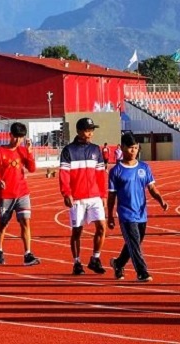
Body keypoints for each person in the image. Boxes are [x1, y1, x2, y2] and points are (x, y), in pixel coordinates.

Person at [107, 132, 169, 282]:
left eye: (136, 148)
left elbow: (152, 188)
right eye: (130, 148)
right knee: (134, 243)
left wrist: (161, 200)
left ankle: (118, 263)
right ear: (122, 147)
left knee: (134, 242)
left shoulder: (144, 167)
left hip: (141, 213)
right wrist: (110, 216)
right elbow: (112, 196)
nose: (133, 151)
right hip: (126, 214)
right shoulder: (116, 171)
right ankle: (142, 272)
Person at [59, 117, 108, 275]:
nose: (90, 133)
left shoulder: (96, 150)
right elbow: (64, 174)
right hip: (77, 198)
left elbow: (100, 174)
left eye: (92, 130)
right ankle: (77, 262)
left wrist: (103, 194)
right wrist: (66, 193)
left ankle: (95, 258)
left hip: (95, 196)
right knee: (77, 231)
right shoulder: (68, 151)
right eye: (87, 130)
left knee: (102, 227)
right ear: (79, 131)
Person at [0, 122, 40, 266]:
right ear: (10, 135)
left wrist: (29, 152)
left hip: (22, 193)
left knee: (25, 222)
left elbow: (32, 168)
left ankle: (27, 254)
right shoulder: (0, 151)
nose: (18, 140)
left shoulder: (23, 150)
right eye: (16, 137)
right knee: (3, 224)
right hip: (6, 194)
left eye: (21, 138)